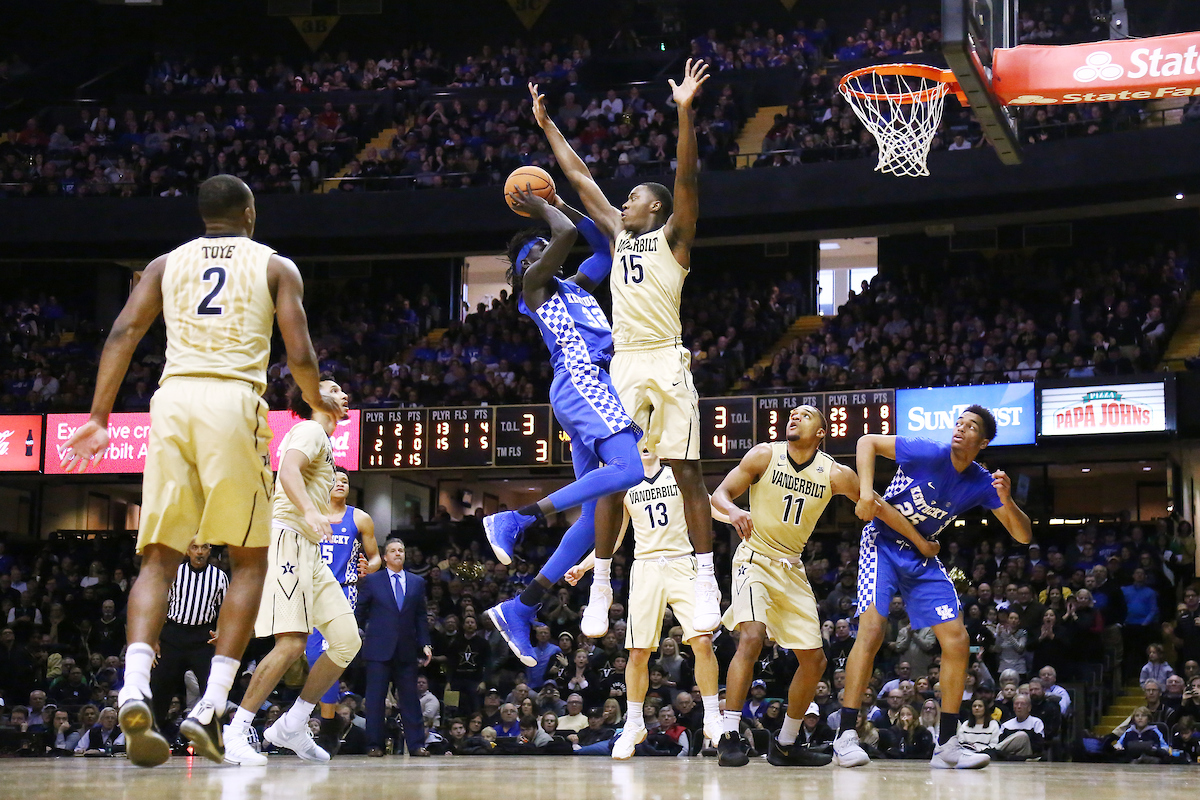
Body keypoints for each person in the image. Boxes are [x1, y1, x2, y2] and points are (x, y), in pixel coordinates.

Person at [59, 174, 336, 767]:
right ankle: (210, 706)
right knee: (250, 558)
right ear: (250, 213)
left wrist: (99, 415)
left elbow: (124, 331)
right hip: (231, 403)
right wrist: (318, 401)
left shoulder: (164, 263)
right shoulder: (274, 266)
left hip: (171, 400)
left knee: (157, 552)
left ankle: (133, 686)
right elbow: (301, 354)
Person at [530, 61, 722, 638]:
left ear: (655, 210)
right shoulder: (617, 234)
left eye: (636, 195)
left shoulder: (675, 238)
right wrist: (546, 127)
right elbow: (579, 176)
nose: (627, 199)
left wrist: (685, 114)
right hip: (624, 361)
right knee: (620, 474)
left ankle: (705, 576)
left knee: (687, 472)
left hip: (666, 356)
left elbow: (686, 179)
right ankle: (602, 585)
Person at [709, 405, 931, 768]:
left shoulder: (834, 473)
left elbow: (876, 504)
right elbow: (719, 495)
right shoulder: (765, 454)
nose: (794, 417)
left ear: (821, 433)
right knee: (751, 636)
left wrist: (921, 541)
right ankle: (729, 735)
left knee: (815, 660)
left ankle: (784, 744)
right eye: (792, 413)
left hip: (792, 568)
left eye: (806, 415)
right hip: (754, 557)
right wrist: (733, 511)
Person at [483, 187, 642, 667]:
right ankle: (518, 517)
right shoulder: (534, 285)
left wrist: (563, 201)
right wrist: (544, 209)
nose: (540, 253)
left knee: (596, 523)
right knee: (630, 468)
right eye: (532, 253)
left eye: (541, 248)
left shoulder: (574, 287)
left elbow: (599, 247)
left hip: (589, 388)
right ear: (522, 268)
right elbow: (568, 234)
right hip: (581, 381)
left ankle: (520, 606)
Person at [834, 407, 1032, 770]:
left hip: (922, 555)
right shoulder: (928, 450)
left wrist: (1007, 500)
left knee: (957, 641)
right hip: (881, 542)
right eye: (959, 423)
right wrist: (865, 492)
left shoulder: (982, 481)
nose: (960, 429)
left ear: (983, 442)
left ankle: (947, 744)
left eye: (970, 427)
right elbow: (867, 442)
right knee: (873, 629)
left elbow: (1022, 534)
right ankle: (845, 733)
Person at [223, 379, 363, 766]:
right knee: (291, 643)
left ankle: (294, 723)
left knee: (347, 641)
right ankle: (236, 731)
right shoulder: (310, 429)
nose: (343, 394)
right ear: (312, 398)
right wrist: (311, 510)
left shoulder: (325, 440)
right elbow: (288, 471)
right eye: (333, 389)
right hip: (288, 539)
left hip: (311, 550)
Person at [566, 449, 724, 759]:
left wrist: (735, 515)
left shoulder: (678, 473)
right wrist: (586, 566)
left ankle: (712, 717)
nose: (645, 442)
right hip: (646, 567)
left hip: (682, 562)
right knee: (637, 652)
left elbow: (706, 507)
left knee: (702, 640)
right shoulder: (626, 482)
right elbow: (613, 534)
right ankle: (634, 724)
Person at [306, 466, 380, 752]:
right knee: (313, 656)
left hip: (344, 589)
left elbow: (375, 558)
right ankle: (327, 720)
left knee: (328, 655)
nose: (340, 484)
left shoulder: (360, 518)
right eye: (335, 480)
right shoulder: (309, 515)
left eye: (345, 481)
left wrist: (368, 568)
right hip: (311, 590)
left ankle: (326, 725)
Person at [355, 539, 432, 757]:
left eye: (401, 550)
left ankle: (416, 745)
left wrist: (425, 644)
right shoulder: (373, 581)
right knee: (375, 699)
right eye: (393, 550)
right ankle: (374, 744)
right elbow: (360, 611)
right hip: (378, 649)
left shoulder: (417, 582)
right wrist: (354, 635)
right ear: (385, 557)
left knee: (409, 699)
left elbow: (420, 617)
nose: (398, 553)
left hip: (406, 649)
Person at [150, 538, 226, 726]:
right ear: (187, 550)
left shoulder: (219, 577)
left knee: (211, 688)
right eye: (195, 547)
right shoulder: (175, 571)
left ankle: (213, 738)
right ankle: (152, 735)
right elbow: (161, 605)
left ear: (210, 550)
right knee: (160, 688)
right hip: (173, 635)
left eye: (203, 548)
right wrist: (154, 638)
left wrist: (220, 631)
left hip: (203, 638)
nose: (199, 552)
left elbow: (226, 609)